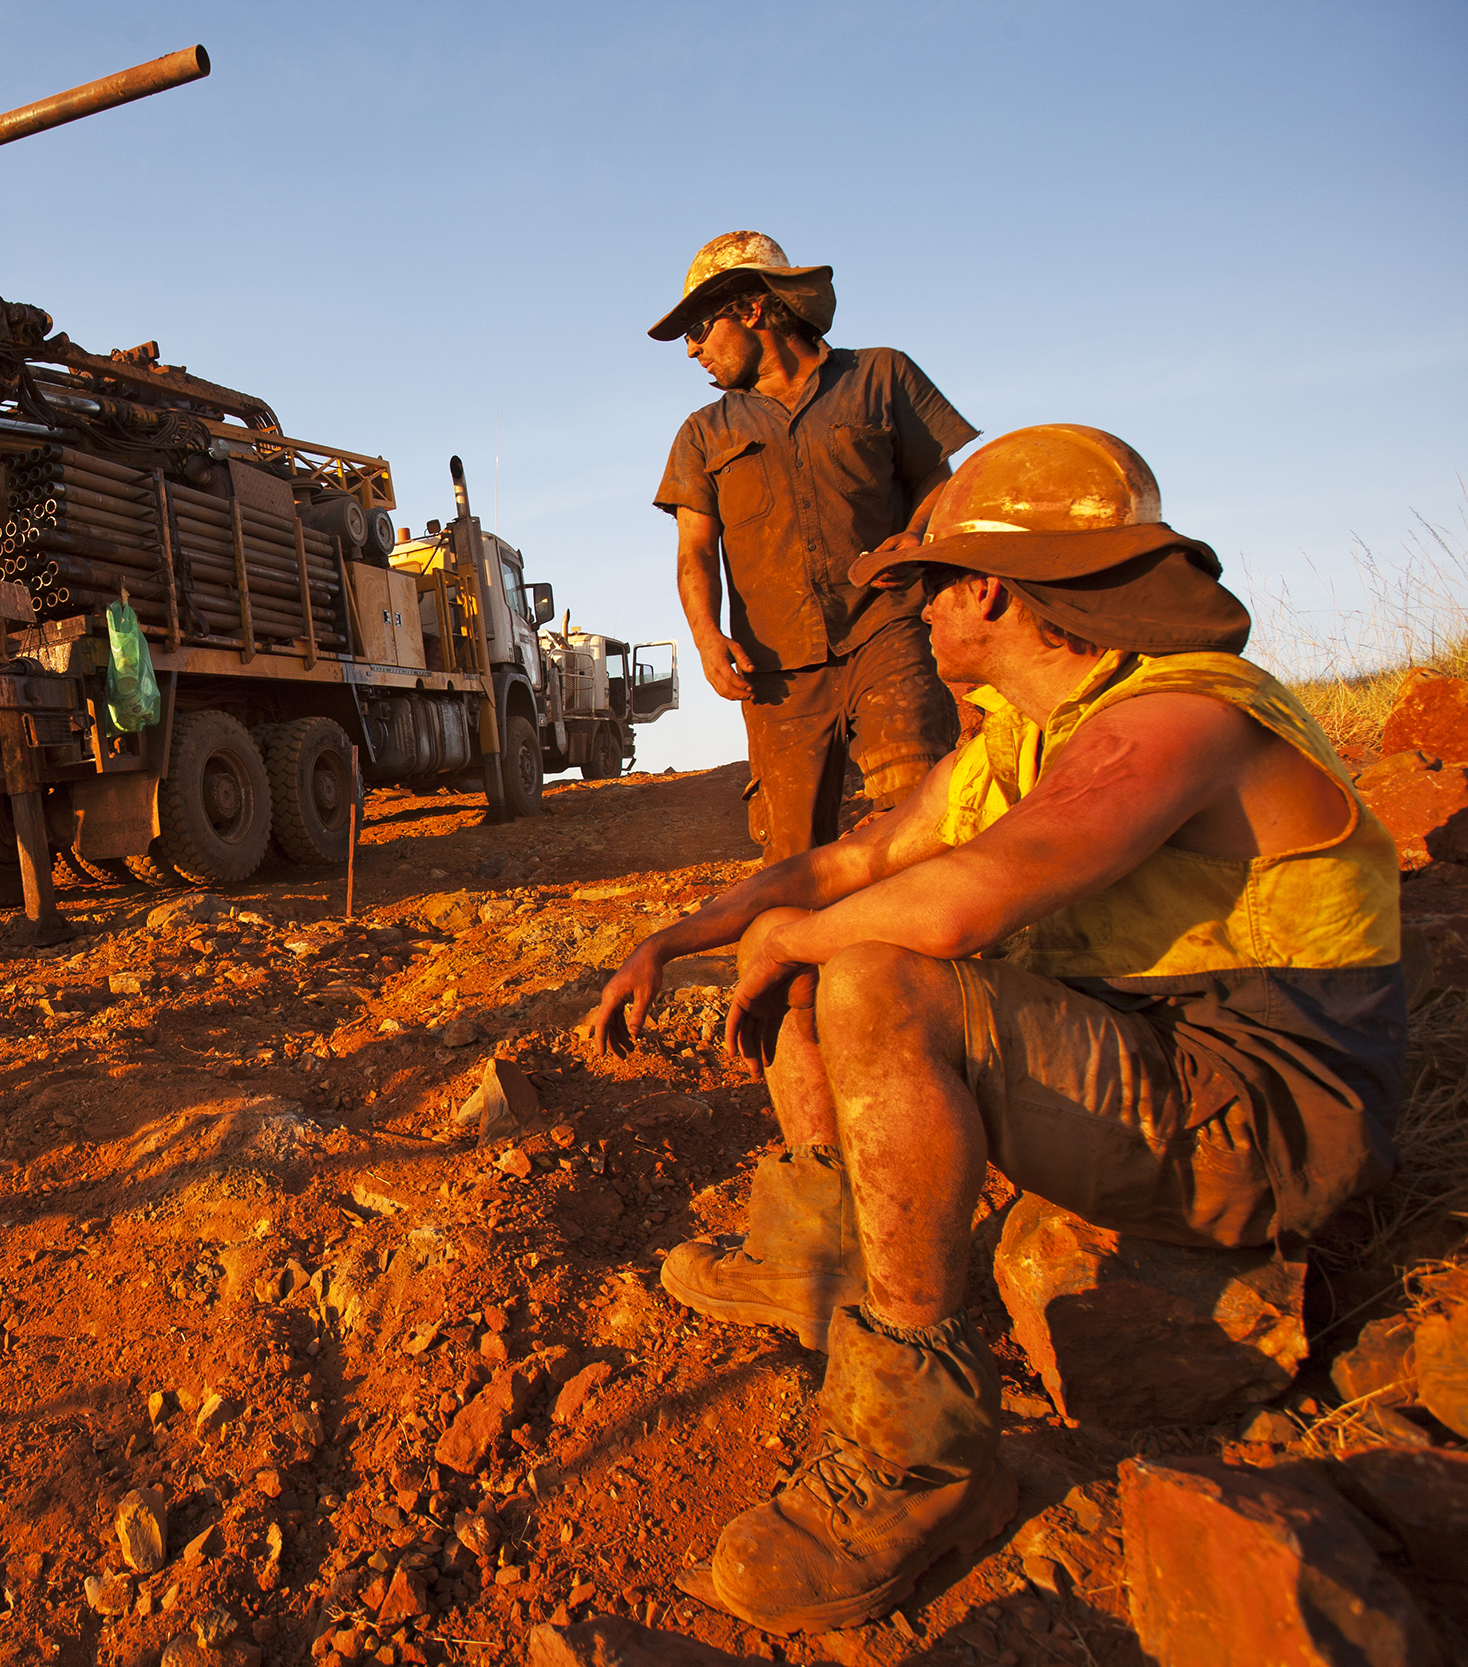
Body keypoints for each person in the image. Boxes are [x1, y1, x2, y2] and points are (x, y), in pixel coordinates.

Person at [579, 424, 1407, 1636]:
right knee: (838, 931)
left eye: (921, 586)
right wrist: (689, 936)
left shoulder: (1183, 717)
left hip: (1264, 1124)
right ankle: (816, 1254)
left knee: (871, 971)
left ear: (982, 590)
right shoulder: (1018, 738)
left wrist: (800, 941)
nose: (911, 616)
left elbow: (964, 899)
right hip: (1150, 1064)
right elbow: (852, 857)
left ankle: (926, 1456)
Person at [649, 231, 980, 862]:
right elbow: (694, 549)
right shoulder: (702, 433)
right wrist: (705, 636)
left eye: (699, 327)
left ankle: (921, 953)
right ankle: (813, 956)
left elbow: (941, 479)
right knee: (791, 857)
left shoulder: (881, 376)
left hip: (887, 628)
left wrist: (914, 534)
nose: (691, 350)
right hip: (777, 670)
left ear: (751, 309)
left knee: (919, 812)